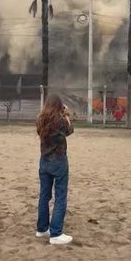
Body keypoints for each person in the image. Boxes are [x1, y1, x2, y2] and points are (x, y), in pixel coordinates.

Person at [35, 94, 74, 245]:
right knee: (60, 196)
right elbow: (70, 130)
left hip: (44, 160)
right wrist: (66, 114)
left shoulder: (40, 119)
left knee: (44, 195)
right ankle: (56, 233)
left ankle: (42, 228)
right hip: (58, 161)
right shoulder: (60, 120)